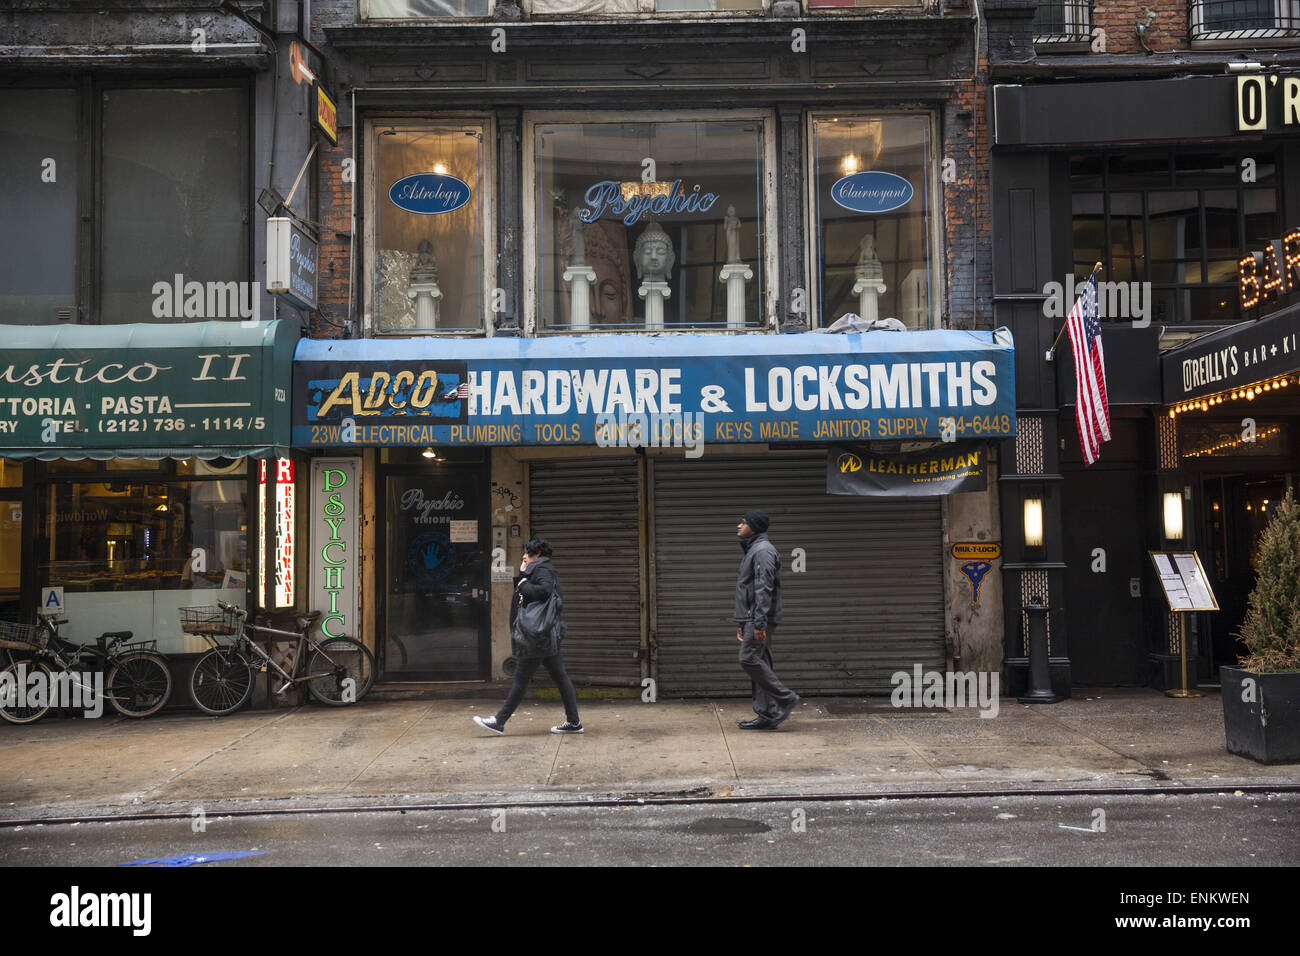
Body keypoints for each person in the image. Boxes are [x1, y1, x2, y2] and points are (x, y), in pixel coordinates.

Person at [473, 537, 583, 735]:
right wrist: (524, 574)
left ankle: (499, 720)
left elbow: (543, 591)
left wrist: (523, 582)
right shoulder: (539, 568)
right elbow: (529, 591)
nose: (523, 555)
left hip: (538, 637)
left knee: (521, 679)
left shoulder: (543, 569)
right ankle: (574, 722)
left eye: (528, 553)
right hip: (544, 636)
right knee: (560, 677)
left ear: (538, 553)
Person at [733, 510, 799, 730]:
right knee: (761, 661)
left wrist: (758, 622)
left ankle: (786, 698)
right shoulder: (754, 549)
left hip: (760, 616)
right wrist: (743, 622)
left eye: (743, 523)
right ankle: (767, 715)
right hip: (753, 616)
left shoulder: (762, 551)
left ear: (754, 527)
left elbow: (764, 588)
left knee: (749, 659)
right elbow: (749, 589)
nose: (738, 526)